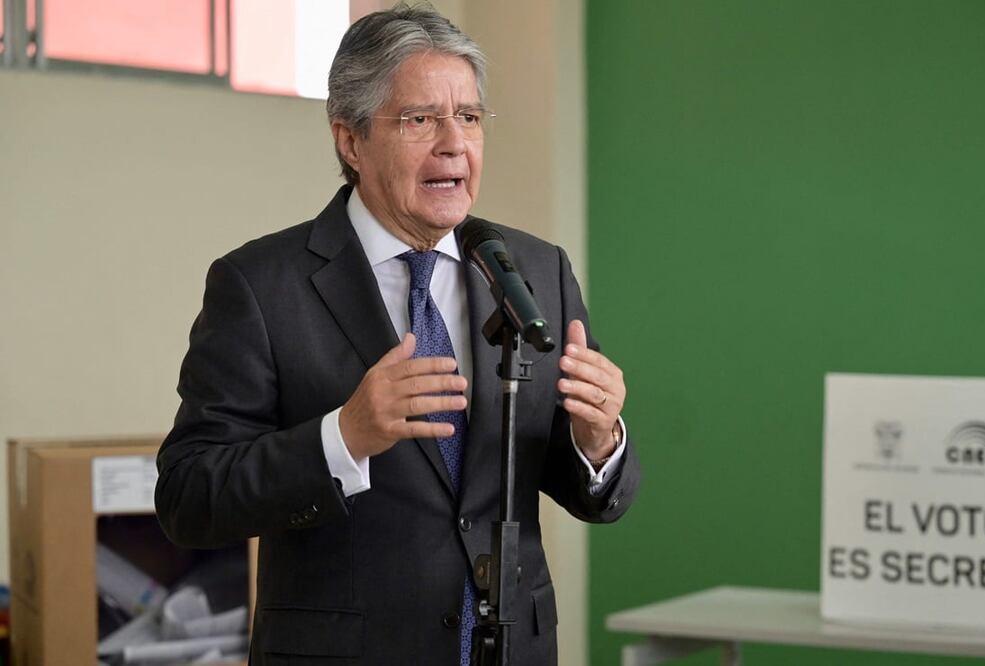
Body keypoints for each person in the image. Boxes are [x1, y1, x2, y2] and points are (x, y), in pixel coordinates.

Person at [154, 3, 639, 665]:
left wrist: (598, 441)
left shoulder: (533, 269)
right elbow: (189, 497)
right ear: (350, 140)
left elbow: (587, 489)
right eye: (420, 119)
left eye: (468, 117)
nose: (454, 143)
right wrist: (344, 436)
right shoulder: (262, 285)